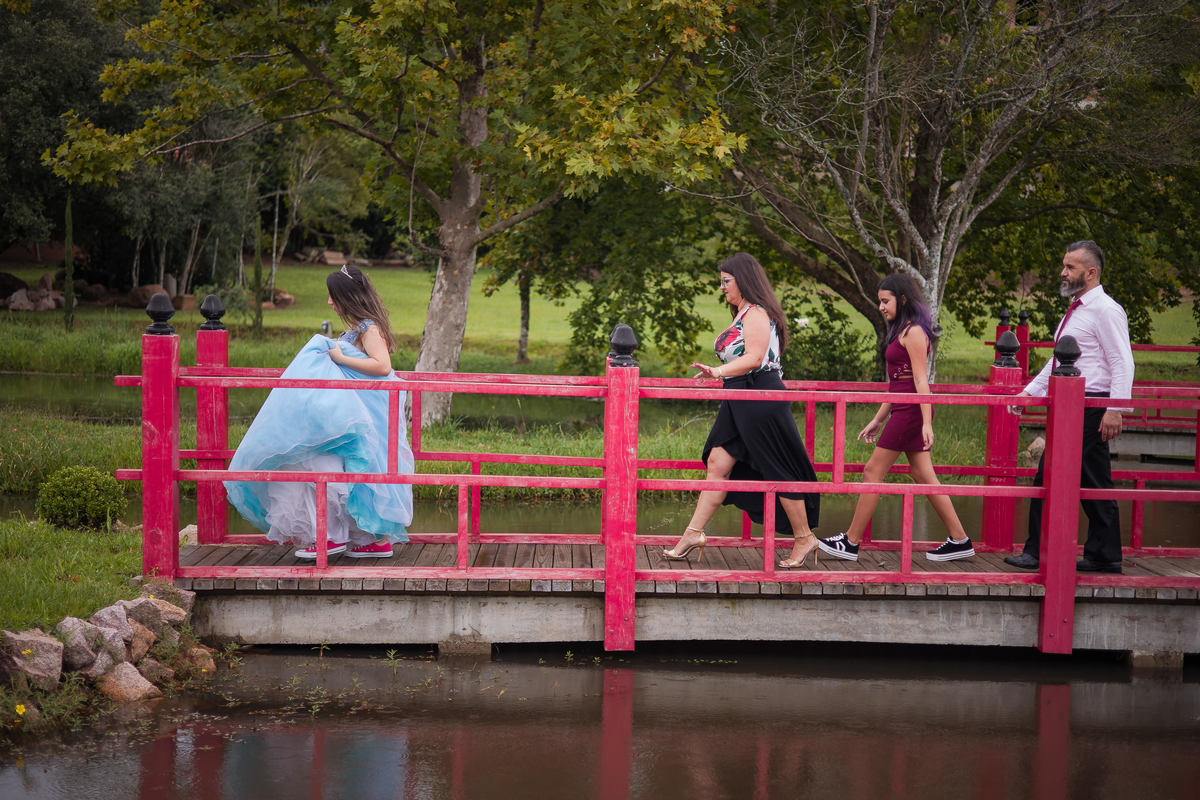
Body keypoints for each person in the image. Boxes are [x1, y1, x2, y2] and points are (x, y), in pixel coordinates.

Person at [224, 265, 414, 559]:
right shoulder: (359, 328)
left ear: (346, 296)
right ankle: (366, 538)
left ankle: (336, 536)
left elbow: (383, 366)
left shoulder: (369, 327)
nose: (329, 302)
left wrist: (339, 357)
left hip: (367, 413)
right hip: (360, 409)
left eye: (332, 296)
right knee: (336, 465)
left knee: (325, 462)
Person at [662, 252, 821, 568]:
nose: (722, 287)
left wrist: (718, 372)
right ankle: (693, 534)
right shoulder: (744, 313)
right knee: (718, 461)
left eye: (726, 281)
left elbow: (755, 357)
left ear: (744, 280)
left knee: (779, 466)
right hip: (739, 396)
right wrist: (720, 374)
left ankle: (804, 538)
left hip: (757, 395)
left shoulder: (757, 314)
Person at [817, 273, 975, 562]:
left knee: (872, 472)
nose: (881, 307)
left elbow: (920, 380)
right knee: (924, 475)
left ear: (902, 300)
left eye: (885, 301)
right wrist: (878, 419)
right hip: (903, 408)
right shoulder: (901, 330)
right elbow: (897, 384)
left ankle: (850, 542)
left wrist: (927, 421)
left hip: (912, 411)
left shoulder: (914, 332)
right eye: (880, 301)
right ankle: (960, 539)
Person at [1004, 240, 1133, 574]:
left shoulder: (1105, 310)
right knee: (1094, 480)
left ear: (1090, 273)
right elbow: (1059, 362)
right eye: (1063, 266)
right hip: (1073, 404)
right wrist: (1028, 394)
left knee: (1049, 474)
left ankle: (1037, 551)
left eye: (1070, 267)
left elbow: (1122, 361)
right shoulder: (1077, 309)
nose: (1062, 273)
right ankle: (1104, 556)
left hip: (1091, 405)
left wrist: (1115, 408)